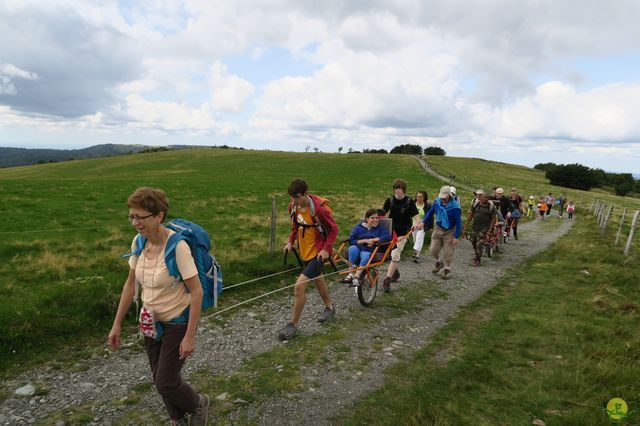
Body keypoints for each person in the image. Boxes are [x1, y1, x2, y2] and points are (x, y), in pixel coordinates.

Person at [108, 187, 210, 426]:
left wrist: (190, 336)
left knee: (165, 382)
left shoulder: (178, 247)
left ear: (158, 216)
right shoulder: (139, 242)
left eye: (140, 217)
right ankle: (177, 419)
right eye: (131, 216)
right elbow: (130, 285)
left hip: (177, 322)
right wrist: (116, 324)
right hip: (150, 322)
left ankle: (198, 404)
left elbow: (196, 292)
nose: (134, 222)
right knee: (159, 379)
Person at [279, 179, 338, 340]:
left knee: (299, 287)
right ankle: (330, 307)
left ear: (305, 194)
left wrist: (326, 249)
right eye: (291, 198)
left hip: (318, 252)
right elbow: (295, 227)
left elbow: (333, 229)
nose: (293, 201)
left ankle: (293, 325)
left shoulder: (319, 210)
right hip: (304, 250)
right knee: (318, 279)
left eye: (296, 197)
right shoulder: (293, 207)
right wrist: (290, 241)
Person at [381, 179, 420, 292]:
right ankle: (395, 274)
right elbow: (382, 214)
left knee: (395, 254)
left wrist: (418, 223)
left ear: (404, 190)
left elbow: (416, 216)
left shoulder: (409, 202)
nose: (398, 191)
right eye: (396, 189)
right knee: (392, 254)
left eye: (400, 189)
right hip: (391, 231)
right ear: (394, 190)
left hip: (403, 232)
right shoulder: (390, 200)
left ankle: (387, 280)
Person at [422, 186, 462, 279]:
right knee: (432, 251)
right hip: (438, 228)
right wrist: (423, 222)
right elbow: (430, 212)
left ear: (449, 196)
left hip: (450, 231)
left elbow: (459, 223)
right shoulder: (437, 202)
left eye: (445, 197)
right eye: (441, 196)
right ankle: (439, 262)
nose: (443, 198)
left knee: (448, 253)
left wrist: (456, 237)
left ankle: (447, 269)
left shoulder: (455, 207)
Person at [343, 208, 392, 285]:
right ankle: (350, 274)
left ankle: (357, 276)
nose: (375, 220)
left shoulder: (379, 228)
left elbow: (387, 236)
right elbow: (351, 240)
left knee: (365, 255)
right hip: (358, 247)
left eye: (377, 218)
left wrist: (375, 239)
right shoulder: (358, 228)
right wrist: (365, 241)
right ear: (367, 218)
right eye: (372, 218)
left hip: (368, 250)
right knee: (352, 248)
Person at [462, 190, 497, 266]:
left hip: (484, 228)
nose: (484, 198)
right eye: (483, 197)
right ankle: (477, 254)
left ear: (488, 199)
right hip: (475, 227)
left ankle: (478, 259)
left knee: (479, 243)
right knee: (473, 242)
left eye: (486, 197)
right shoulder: (475, 204)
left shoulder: (491, 207)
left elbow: (493, 219)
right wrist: (465, 227)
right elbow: (470, 216)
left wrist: (490, 229)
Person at [412, 191, 432, 263]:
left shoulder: (427, 206)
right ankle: (416, 250)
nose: (418, 198)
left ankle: (417, 254)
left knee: (419, 237)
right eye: (417, 196)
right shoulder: (412, 204)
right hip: (413, 223)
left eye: (420, 197)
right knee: (415, 238)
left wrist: (430, 226)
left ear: (424, 198)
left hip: (423, 223)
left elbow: (430, 216)